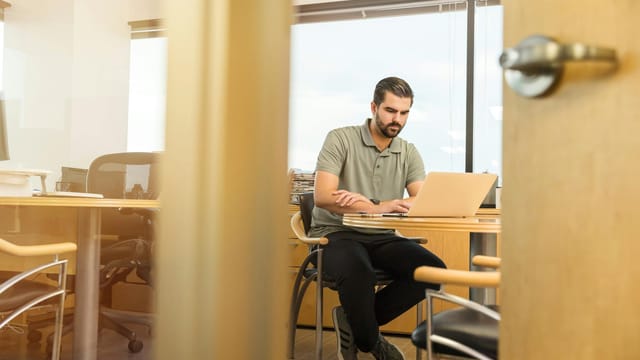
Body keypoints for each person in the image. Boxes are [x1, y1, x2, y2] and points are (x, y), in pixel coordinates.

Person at [308, 76, 446, 360]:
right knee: (359, 271)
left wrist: (372, 206)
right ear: (374, 107)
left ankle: (355, 322)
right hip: (335, 233)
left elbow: (420, 199)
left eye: (404, 113)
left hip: (383, 236)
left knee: (432, 271)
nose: (397, 119)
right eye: (391, 111)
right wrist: (378, 206)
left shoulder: (408, 151)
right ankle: (372, 342)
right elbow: (323, 196)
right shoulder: (340, 138)